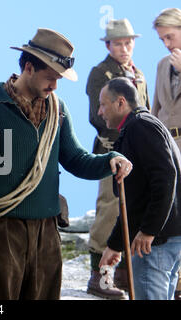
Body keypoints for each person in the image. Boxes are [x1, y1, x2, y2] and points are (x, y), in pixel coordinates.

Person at [0, 28, 132, 300]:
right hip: (1, 230)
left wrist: (110, 160)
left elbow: (76, 159)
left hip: (46, 234)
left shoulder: (58, 110)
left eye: (59, 79)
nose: (55, 86)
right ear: (28, 67)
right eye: (50, 77)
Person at [98, 77, 181, 300]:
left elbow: (165, 176)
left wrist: (149, 230)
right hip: (163, 238)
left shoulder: (140, 127)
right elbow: (135, 198)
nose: (99, 112)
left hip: (156, 243)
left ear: (120, 102)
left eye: (103, 104)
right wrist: (115, 245)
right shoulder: (141, 125)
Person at [85, 18, 151, 299]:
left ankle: (123, 274)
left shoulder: (138, 73)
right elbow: (97, 115)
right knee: (110, 210)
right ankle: (99, 276)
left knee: (134, 210)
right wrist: (122, 146)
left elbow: (144, 112)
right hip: (112, 150)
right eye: (118, 43)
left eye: (128, 42)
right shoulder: (101, 73)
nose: (124, 48)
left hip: (138, 153)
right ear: (108, 45)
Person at [152, 7, 181, 300]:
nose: (167, 44)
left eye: (170, 37)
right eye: (162, 39)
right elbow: (155, 110)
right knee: (173, 214)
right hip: (167, 150)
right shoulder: (162, 65)